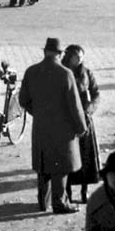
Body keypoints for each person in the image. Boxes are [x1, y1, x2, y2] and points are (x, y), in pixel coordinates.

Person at [18, 37, 88, 214]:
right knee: (61, 166)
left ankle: (43, 201)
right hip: (63, 128)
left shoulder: (31, 71)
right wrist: (81, 128)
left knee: (43, 165)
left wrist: (39, 113)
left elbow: (23, 100)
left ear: (44, 52)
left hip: (41, 127)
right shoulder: (65, 74)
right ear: (60, 54)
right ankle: (60, 202)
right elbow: (75, 106)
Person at [65, 44, 101, 205]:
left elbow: (96, 93)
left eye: (81, 56)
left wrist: (90, 108)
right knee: (68, 157)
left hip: (85, 118)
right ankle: (68, 191)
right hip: (68, 120)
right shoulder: (63, 72)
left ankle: (84, 190)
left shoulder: (87, 73)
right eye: (76, 56)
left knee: (86, 157)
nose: (79, 59)